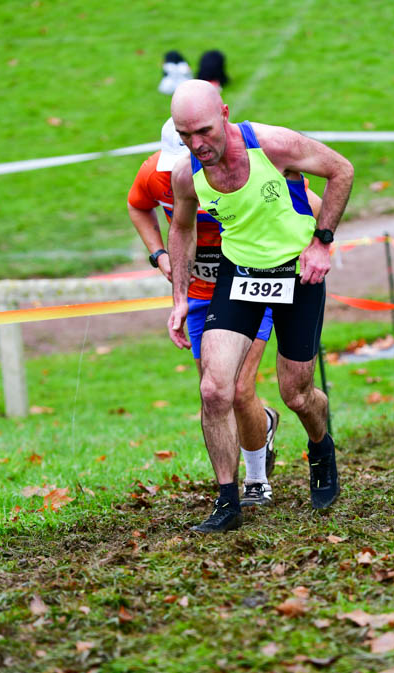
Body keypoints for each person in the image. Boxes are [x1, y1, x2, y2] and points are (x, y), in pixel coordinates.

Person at [167, 80, 353, 534]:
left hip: (297, 275)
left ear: (225, 113)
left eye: (204, 131)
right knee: (215, 390)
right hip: (239, 277)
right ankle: (227, 501)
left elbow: (341, 171)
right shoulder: (186, 174)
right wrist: (179, 297)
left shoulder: (272, 145)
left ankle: (320, 447)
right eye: (185, 135)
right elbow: (181, 228)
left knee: (296, 394)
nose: (197, 144)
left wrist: (321, 243)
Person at [128, 119, 297, 506]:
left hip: (249, 285)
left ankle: (256, 480)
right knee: (215, 392)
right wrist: (159, 255)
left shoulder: (247, 168)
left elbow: (311, 206)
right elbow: (137, 206)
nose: (183, 171)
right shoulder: (157, 174)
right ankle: (262, 424)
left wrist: (309, 249)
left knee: (239, 389)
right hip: (201, 295)